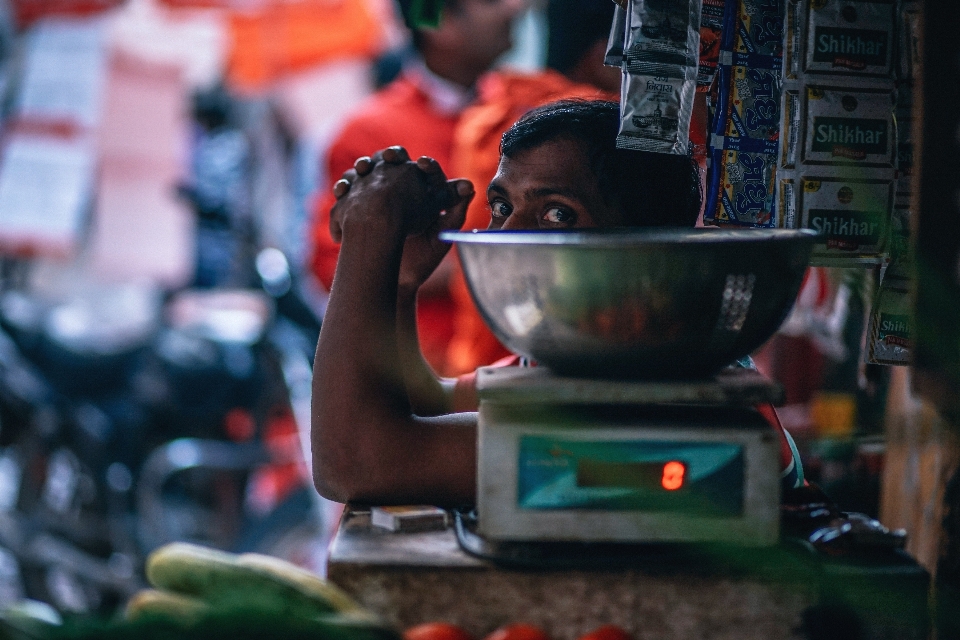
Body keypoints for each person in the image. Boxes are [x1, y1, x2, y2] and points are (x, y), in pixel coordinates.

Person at [311, 100, 801, 506]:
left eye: (556, 213)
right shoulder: (598, 356)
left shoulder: (656, 402)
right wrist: (398, 281)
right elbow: (429, 402)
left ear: (648, 250)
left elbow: (353, 463)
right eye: (503, 206)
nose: (511, 235)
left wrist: (369, 233)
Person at [310, 0, 525, 374]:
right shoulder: (370, 132)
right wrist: (492, 264)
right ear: (439, 23)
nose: (513, 9)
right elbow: (335, 265)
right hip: (420, 372)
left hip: (516, 360)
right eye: (489, 2)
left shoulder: (527, 109)